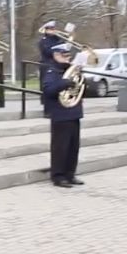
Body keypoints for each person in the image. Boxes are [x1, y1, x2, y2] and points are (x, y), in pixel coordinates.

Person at [41, 43, 84, 188]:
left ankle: (70, 174)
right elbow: (48, 90)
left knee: (73, 147)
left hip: (74, 112)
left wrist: (80, 78)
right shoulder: (51, 71)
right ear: (56, 55)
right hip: (60, 114)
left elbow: (81, 87)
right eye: (64, 56)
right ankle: (58, 176)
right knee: (60, 147)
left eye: (68, 56)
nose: (67, 59)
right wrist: (65, 83)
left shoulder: (73, 70)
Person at [37, 21, 64, 116]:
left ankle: (57, 109)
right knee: (48, 89)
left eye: (53, 29)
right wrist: (57, 49)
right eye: (50, 29)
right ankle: (47, 111)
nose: (53, 31)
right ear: (46, 30)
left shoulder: (57, 39)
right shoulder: (43, 40)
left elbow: (64, 49)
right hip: (47, 66)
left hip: (57, 66)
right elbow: (47, 52)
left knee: (58, 88)